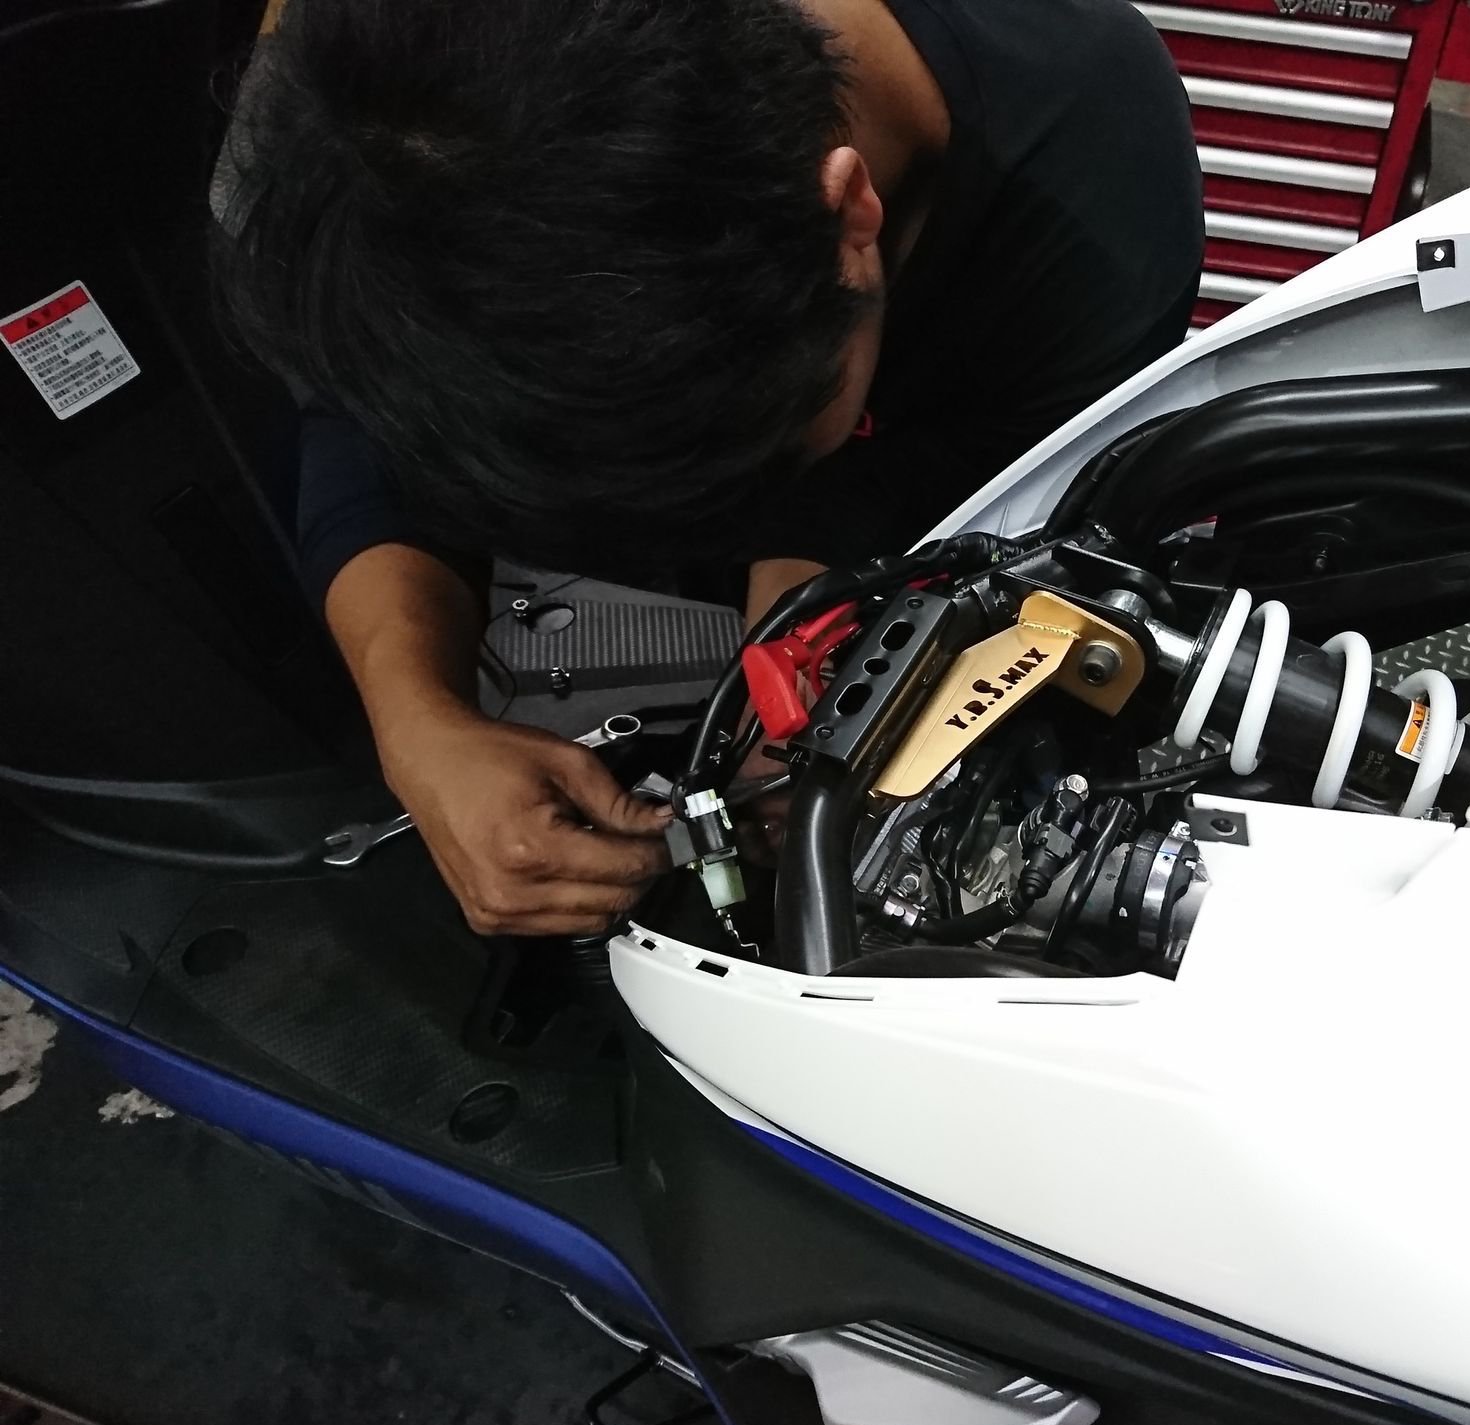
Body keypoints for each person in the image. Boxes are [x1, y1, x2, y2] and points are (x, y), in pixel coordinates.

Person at [218, 0, 1203, 937]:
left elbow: (977, 472)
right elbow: (361, 424)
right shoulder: (379, 124)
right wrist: (417, 728)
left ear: (852, 219)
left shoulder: (1096, 184)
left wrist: (804, 645)